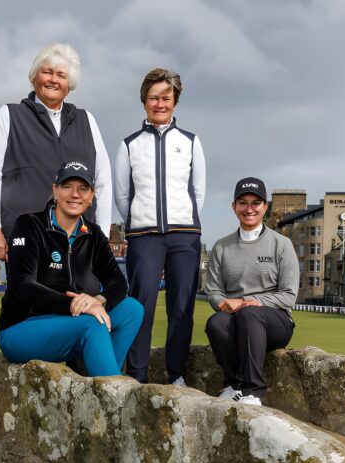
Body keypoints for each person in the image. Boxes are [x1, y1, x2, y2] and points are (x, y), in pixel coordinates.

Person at [0, 161, 142, 376]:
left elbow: (118, 282)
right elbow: (23, 286)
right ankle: (111, 397)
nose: (75, 194)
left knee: (132, 309)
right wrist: (75, 304)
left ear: (91, 196)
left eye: (83, 188)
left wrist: (98, 301)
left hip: (70, 322)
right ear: (55, 190)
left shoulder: (93, 234)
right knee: (93, 324)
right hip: (21, 327)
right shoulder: (29, 224)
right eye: (67, 186)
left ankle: (95, 377)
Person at [113, 68, 206, 385]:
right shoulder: (129, 145)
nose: (160, 103)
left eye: (166, 97)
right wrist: (141, 221)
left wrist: (183, 221)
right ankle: (136, 375)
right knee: (141, 307)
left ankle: (176, 374)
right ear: (144, 101)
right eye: (154, 97)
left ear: (175, 101)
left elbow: (198, 192)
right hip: (144, 237)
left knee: (182, 307)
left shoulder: (191, 142)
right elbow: (122, 195)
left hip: (185, 237)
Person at [0, 42, 112, 263]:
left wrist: (104, 236)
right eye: (47, 72)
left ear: (69, 85)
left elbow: (103, 179)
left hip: (79, 236)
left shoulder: (86, 119)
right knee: (28, 296)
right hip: (25, 232)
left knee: (78, 297)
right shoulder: (9, 115)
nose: (53, 80)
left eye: (61, 75)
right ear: (34, 77)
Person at [204, 177, 299, 406]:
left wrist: (246, 301)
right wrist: (224, 304)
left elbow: (288, 295)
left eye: (256, 203)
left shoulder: (281, 244)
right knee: (216, 322)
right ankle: (234, 385)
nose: (249, 209)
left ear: (265, 207)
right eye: (243, 203)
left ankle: (253, 391)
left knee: (249, 313)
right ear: (234, 207)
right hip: (237, 320)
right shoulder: (221, 247)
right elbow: (214, 291)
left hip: (275, 323)